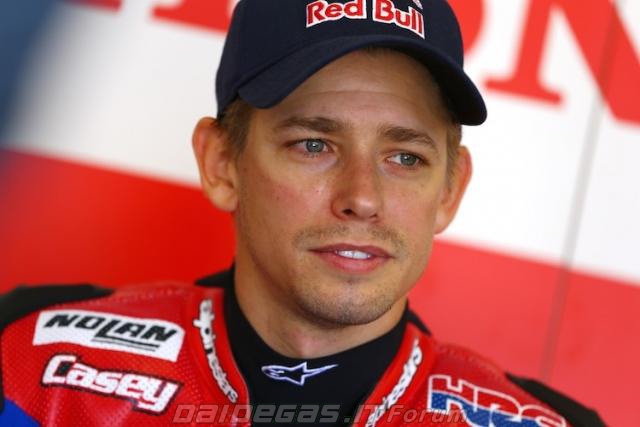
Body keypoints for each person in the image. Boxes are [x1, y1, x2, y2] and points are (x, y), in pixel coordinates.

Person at [0, 0, 605, 426]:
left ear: (450, 189)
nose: (362, 197)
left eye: (405, 157)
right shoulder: (29, 361)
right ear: (221, 164)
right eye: (314, 145)